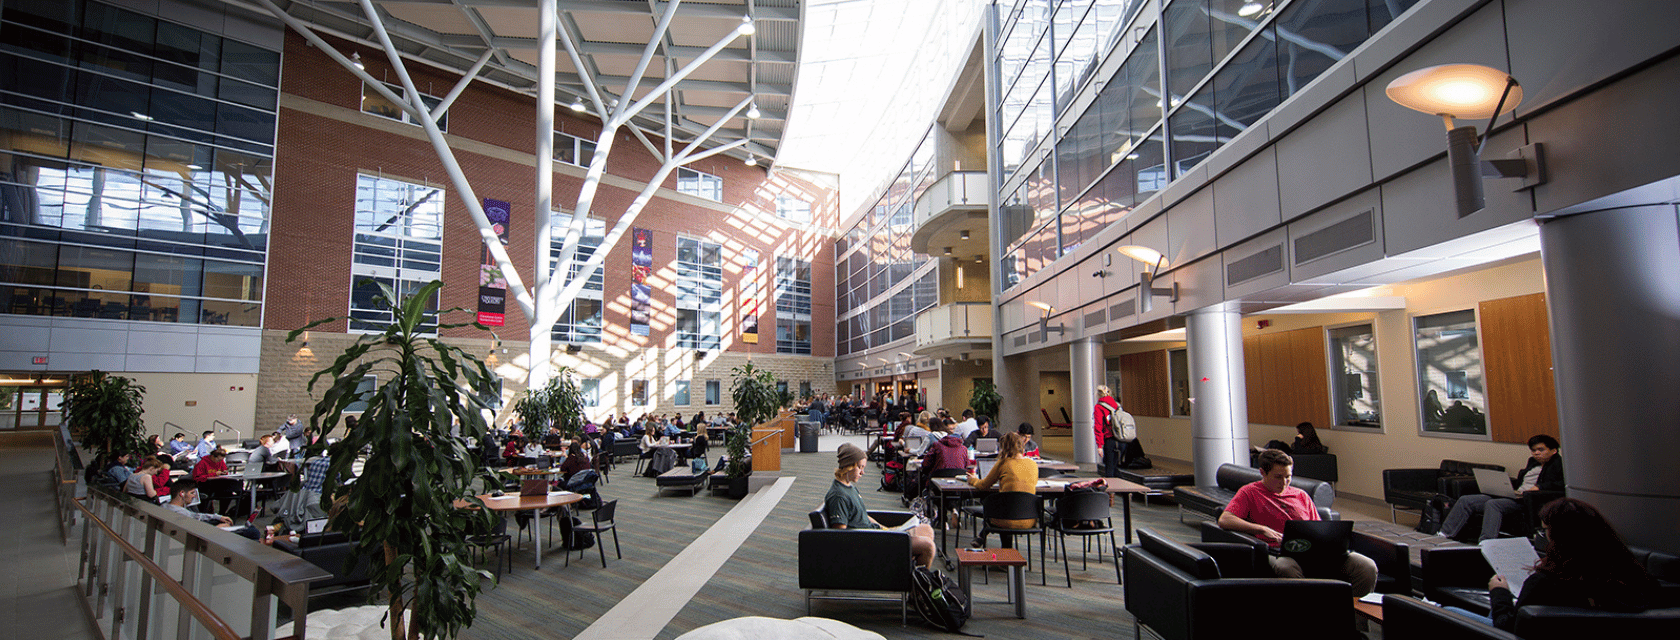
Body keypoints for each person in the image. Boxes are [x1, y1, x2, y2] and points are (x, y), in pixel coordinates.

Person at [1446, 498, 1659, 630]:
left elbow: (1508, 627)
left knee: (1449, 611)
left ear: (1558, 536)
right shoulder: (1631, 574)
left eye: (1546, 530)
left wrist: (1500, 594)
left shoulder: (1544, 583)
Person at [1218, 449, 1379, 597]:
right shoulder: (1249, 492)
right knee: (1285, 568)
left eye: (1288, 477)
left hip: (1315, 552)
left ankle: (1353, 614)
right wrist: (1261, 529)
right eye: (1278, 477)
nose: (1284, 482)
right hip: (1280, 552)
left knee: (1366, 566)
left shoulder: (1301, 495)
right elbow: (1225, 519)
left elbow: (1317, 526)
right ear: (1262, 473)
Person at [824, 443, 937, 569]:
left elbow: (863, 516)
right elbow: (840, 536)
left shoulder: (848, 487)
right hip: (873, 542)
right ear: (848, 466)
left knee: (927, 530)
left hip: (877, 534)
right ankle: (915, 579)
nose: (862, 472)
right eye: (860, 467)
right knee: (928, 547)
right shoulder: (839, 496)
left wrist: (885, 528)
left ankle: (906, 568)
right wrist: (884, 534)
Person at [1440, 434, 1565, 542]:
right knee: (1466, 500)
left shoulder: (1560, 465)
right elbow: (1521, 482)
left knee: (1493, 504)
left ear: (1553, 450)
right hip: (1515, 495)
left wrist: (1539, 487)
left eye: (1541, 450)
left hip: (1528, 500)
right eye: (1533, 450)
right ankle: (1444, 534)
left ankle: (1487, 542)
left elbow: (1562, 483)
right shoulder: (1532, 462)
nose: (1536, 453)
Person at [967, 432, 1040, 544]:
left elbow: (983, 486)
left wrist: (972, 479)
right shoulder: (1033, 465)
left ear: (1004, 447)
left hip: (1004, 520)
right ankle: (983, 538)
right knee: (1008, 506)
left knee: (999, 509)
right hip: (1029, 520)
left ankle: (989, 541)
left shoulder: (1003, 463)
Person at [163, 480, 234, 526]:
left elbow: (195, 515)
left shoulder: (165, 505)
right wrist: (217, 528)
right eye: (192, 493)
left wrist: (217, 517)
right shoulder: (180, 513)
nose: (194, 496)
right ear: (182, 493)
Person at [1094, 385, 1123, 478]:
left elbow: (1098, 427)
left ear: (1098, 394)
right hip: (1121, 439)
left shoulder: (1099, 407)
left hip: (1109, 439)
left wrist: (1099, 445)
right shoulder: (1117, 405)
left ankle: (1110, 486)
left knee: (1109, 468)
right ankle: (1122, 485)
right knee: (1114, 466)